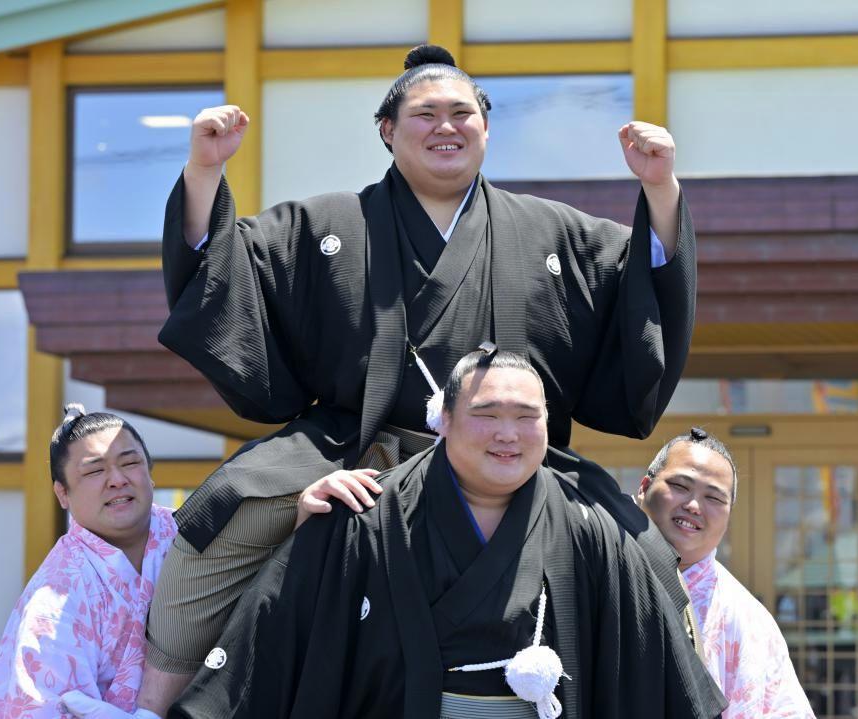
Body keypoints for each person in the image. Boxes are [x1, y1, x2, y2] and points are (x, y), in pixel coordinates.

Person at [143, 43, 697, 712]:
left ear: (486, 128)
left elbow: (643, 280)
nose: (446, 126)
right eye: (425, 113)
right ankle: (151, 703)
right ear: (387, 130)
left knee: (644, 556)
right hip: (353, 446)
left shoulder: (548, 231)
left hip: (511, 450)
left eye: (463, 113)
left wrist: (659, 189)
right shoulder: (328, 225)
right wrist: (205, 170)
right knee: (214, 530)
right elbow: (224, 271)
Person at [170, 348, 726, 719]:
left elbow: (660, 676)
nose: (508, 435)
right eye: (487, 414)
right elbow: (266, 647)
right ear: (445, 420)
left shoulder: (590, 528)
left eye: (526, 417)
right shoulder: (364, 513)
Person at [0, 405, 177, 719]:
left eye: (130, 462)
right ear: (62, 494)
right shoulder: (56, 597)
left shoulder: (190, 535)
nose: (117, 479)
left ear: (150, 474)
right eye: (95, 471)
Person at [636, 428, 815, 718]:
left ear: (729, 517)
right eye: (680, 486)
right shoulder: (601, 569)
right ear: (644, 487)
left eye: (714, 498)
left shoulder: (745, 618)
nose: (693, 506)